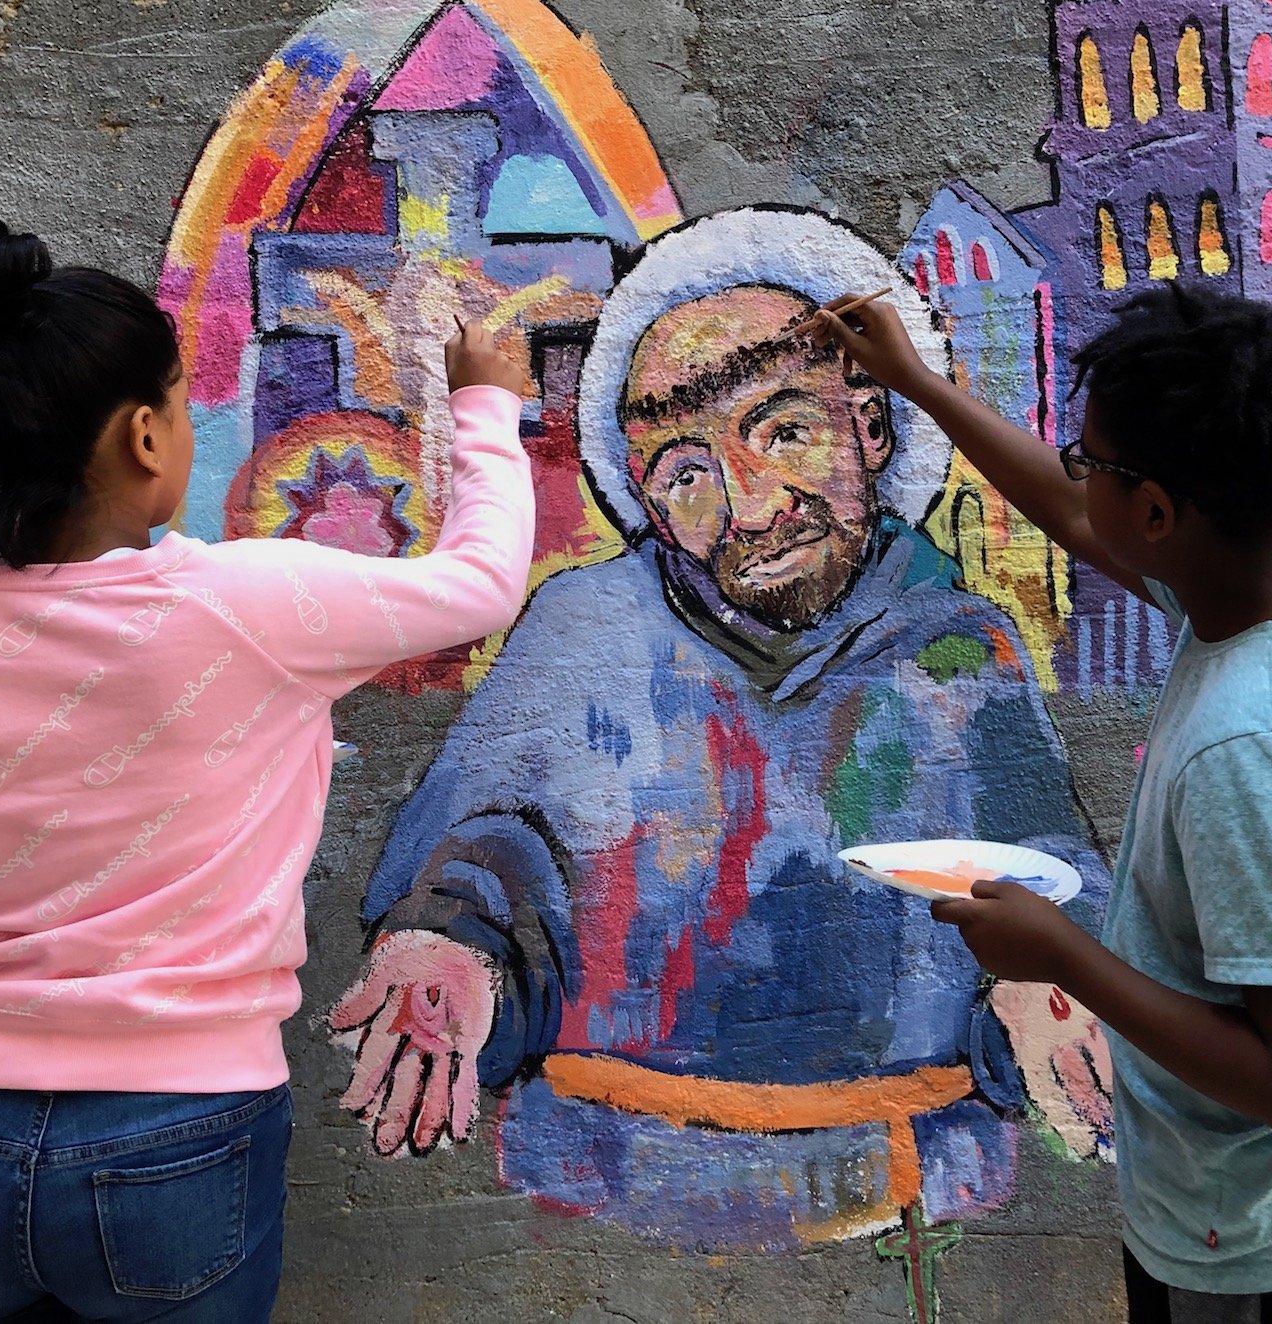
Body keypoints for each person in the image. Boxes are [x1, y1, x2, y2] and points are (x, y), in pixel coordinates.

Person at [330, 208, 1115, 1252]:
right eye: (685, 475)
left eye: (783, 433)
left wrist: (1050, 974)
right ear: (644, 503)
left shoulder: (957, 642)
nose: (748, 510)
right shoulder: (576, 631)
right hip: (593, 1202)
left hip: (909, 1204)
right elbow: (487, 850)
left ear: (869, 428)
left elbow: (1046, 873)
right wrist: (453, 944)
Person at [0, 216, 534, 1322]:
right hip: (176, 1129)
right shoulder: (244, 607)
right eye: (187, 406)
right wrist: (484, 404)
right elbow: (479, 586)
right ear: (145, 437)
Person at [800, 282, 1272, 1319]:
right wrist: (915, 386)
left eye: (1090, 459)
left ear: (1159, 513)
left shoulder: (1252, 756)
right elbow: (1082, 516)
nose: (1077, 478)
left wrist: (1063, 955)